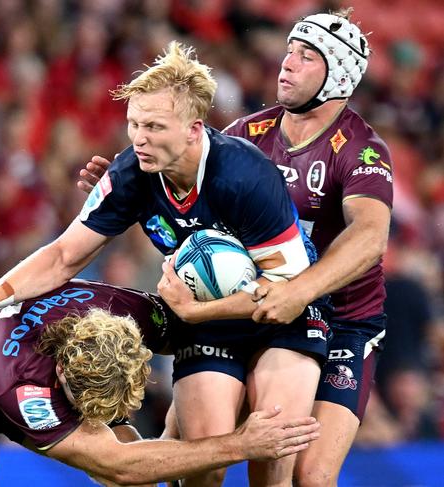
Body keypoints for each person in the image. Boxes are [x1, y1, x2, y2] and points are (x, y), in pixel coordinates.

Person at [0, 41, 329, 487]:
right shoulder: (130, 173)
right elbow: (62, 255)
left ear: (194, 130)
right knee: (204, 468)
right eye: (134, 124)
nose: (138, 138)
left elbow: (288, 293)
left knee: (274, 469)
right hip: (210, 325)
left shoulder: (244, 178)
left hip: (283, 317)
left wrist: (195, 311)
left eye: (153, 126)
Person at [78, 8, 393, 487]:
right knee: (196, 456)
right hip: (249, 308)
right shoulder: (249, 133)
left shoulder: (361, 149)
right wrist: (131, 185)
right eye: (288, 51)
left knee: (308, 476)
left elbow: (370, 237)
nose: (286, 64)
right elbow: (191, 201)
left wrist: (299, 290)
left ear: (341, 74)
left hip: (342, 319)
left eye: (306, 57)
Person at [0, 279, 320, 486]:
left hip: (7, 355)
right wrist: (240, 444)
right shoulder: (26, 389)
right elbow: (117, 465)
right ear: (62, 372)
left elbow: (205, 340)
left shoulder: (130, 311)